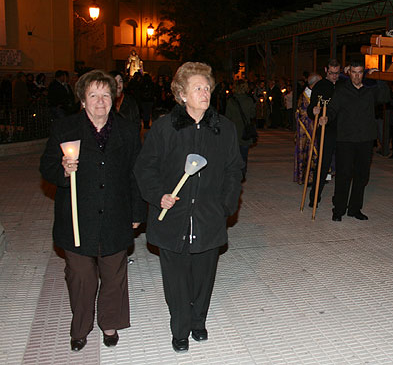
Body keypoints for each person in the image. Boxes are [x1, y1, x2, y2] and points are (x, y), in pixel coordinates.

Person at [134, 62, 243, 353]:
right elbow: (145, 168)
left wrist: (225, 205)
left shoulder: (224, 128)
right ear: (181, 94)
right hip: (172, 216)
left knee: (204, 275)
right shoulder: (164, 128)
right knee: (177, 278)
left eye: (207, 87)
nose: (204, 92)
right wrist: (159, 196)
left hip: (209, 216)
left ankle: (198, 321)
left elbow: (234, 169)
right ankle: (180, 328)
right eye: (197, 87)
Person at [39, 70, 145, 351]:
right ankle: (81, 326)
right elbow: (46, 166)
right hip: (77, 216)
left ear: (114, 98)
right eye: (93, 95)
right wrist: (62, 169)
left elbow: (136, 173)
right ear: (82, 100)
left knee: (113, 273)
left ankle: (110, 322)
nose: (101, 101)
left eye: (106, 95)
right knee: (81, 276)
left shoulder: (127, 130)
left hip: (115, 213)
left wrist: (137, 212)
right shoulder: (66, 129)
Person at [319, 60, 388, 222]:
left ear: (363, 74)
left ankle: (355, 209)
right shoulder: (342, 91)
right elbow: (333, 108)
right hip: (346, 140)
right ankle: (339, 209)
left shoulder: (370, 92)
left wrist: (381, 78)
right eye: (354, 72)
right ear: (349, 73)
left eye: (360, 72)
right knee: (343, 175)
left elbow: (384, 97)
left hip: (365, 139)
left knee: (362, 176)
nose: (357, 76)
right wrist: (326, 118)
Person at [307, 59, 342, 207]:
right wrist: (313, 111)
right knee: (323, 163)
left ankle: (339, 198)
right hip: (326, 130)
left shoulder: (343, 85)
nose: (334, 76)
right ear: (326, 70)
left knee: (342, 165)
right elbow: (311, 108)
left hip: (342, 130)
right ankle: (315, 196)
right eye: (332, 73)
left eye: (337, 73)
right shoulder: (320, 86)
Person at [225, 80, 257, 181]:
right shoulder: (249, 100)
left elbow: (227, 117)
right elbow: (253, 115)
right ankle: (242, 172)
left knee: (234, 154)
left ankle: (235, 172)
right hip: (245, 132)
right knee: (244, 154)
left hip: (234, 131)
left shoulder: (231, 101)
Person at [294, 73, 321, 184]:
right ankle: (306, 178)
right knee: (307, 153)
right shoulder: (304, 97)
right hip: (306, 131)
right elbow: (302, 114)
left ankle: (315, 177)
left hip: (315, 129)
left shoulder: (316, 95)